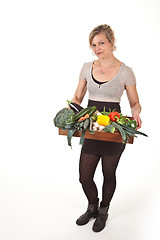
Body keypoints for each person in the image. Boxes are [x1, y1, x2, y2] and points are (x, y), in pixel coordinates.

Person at [71, 24, 142, 232]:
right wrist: (71, 108)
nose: (97, 48)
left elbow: (135, 102)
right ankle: (92, 206)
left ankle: (103, 210)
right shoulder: (86, 67)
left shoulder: (126, 72)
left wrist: (136, 112)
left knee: (108, 172)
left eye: (101, 43)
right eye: (93, 44)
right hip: (92, 124)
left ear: (112, 42)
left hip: (113, 124)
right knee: (85, 176)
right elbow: (77, 97)